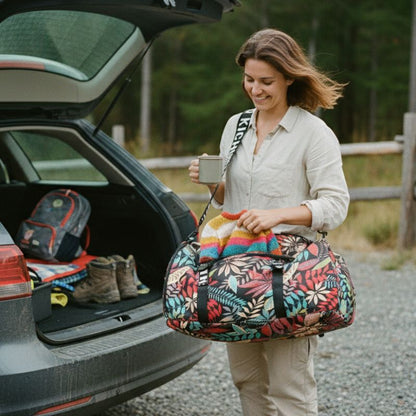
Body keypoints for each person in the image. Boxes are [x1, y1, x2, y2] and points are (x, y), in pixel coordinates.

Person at [188, 28, 350, 416]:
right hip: (236, 273)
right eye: (249, 80)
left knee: (289, 388)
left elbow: (336, 204)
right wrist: (214, 181)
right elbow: (235, 199)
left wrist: (277, 215)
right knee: (247, 381)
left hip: (289, 275)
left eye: (266, 82)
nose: (255, 90)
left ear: (289, 77)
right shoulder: (237, 125)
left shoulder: (313, 133)